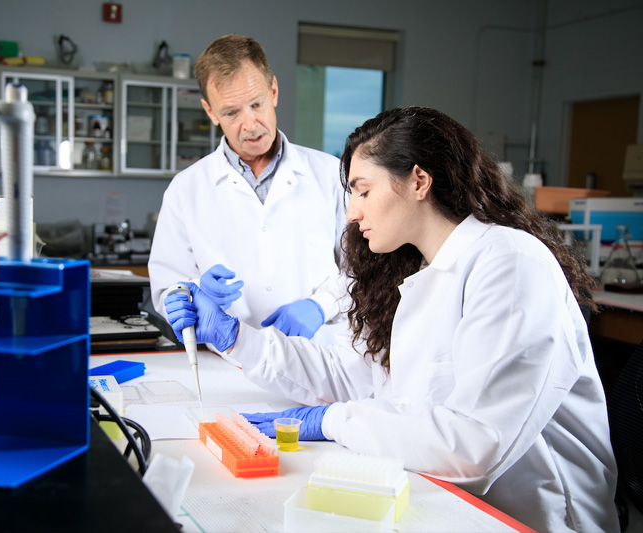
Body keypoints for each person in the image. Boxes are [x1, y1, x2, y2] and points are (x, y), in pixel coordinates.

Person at [164, 107, 619, 532]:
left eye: (363, 190)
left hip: (528, 515)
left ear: (418, 181)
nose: (352, 212)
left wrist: (331, 422)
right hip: (439, 496)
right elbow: (356, 378)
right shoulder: (417, 271)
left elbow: (478, 442)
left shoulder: (511, 263)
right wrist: (233, 336)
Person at [147, 35, 349, 349]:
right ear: (210, 112)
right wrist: (190, 293)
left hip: (320, 357)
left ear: (274, 91)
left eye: (256, 104)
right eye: (231, 113)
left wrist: (322, 305)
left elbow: (366, 271)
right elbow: (168, 285)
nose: (250, 124)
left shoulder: (330, 175)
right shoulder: (186, 189)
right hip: (229, 363)